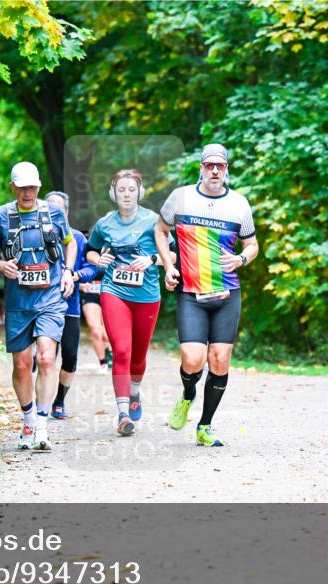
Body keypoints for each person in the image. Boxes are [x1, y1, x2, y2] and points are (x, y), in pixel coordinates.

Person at [154, 143, 258, 447]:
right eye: (209, 165)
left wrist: (241, 259)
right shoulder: (181, 197)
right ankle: (187, 395)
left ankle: (205, 425)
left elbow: (252, 245)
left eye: (220, 166)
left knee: (220, 360)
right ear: (201, 167)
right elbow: (161, 231)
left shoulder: (239, 204)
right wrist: (169, 266)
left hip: (227, 293)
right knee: (192, 358)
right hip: (191, 292)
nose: (214, 170)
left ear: (226, 170)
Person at [0, 162, 76, 451]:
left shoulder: (54, 212)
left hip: (50, 297)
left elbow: (70, 243)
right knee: (22, 364)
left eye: (32, 187)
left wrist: (68, 271)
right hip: (18, 301)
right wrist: (2, 266)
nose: (28, 192)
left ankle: (42, 425)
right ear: (12, 187)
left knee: (47, 359)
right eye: (22, 187)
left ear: (39, 186)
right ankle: (27, 420)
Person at [85, 169, 163, 436]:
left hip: (147, 295)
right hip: (114, 290)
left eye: (131, 190)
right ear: (113, 193)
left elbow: (172, 254)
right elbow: (90, 250)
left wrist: (152, 260)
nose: (126, 194)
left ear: (139, 192)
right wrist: (98, 260)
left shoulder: (155, 221)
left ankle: (134, 392)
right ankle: (122, 414)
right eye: (121, 190)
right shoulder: (105, 223)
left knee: (139, 356)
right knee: (121, 351)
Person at [44, 191, 99, 420]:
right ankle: (41, 404)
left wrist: (76, 276)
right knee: (45, 356)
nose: (55, 213)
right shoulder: (35, 235)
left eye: (59, 209)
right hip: (43, 307)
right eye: (50, 208)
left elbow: (92, 268)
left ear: (66, 212)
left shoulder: (77, 238)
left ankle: (59, 401)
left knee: (69, 357)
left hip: (70, 307)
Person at [79, 224, 112, 374]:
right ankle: (103, 362)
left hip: (109, 293)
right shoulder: (84, 250)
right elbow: (74, 269)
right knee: (94, 328)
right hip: (90, 292)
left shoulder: (112, 249)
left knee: (107, 332)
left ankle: (111, 354)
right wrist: (79, 283)